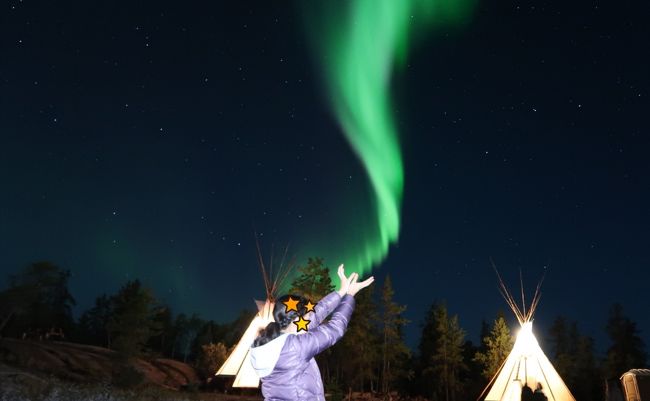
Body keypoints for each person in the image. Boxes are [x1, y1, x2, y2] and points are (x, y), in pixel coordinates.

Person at [250, 264, 373, 401]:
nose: (310, 315)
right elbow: (335, 329)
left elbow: (315, 315)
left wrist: (341, 291)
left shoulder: (268, 343)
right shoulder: (296, 347)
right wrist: (349, 296)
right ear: (296, 319)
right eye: (306, 314)